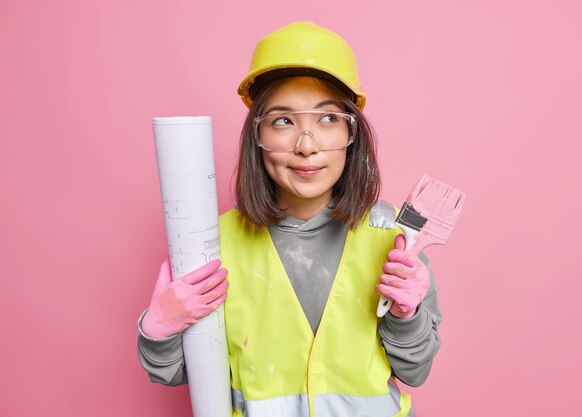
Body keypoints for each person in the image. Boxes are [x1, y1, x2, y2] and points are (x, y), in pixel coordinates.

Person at [138, 21, 442, 417]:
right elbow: (179, 374)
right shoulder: (213, 243)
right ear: (257, 137)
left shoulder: (394, 236)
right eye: (283, 121)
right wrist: (158, 328)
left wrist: (408, 316)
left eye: (328, 119)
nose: (306, 146)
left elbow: (415, 372)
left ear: (353, 135)